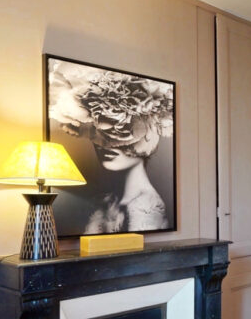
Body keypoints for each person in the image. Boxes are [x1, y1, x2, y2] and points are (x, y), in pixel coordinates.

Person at [49, 61, 174, 232]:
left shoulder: (145, 206)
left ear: (147, 136)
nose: (106, 144)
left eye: (120, 132)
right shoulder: (106, 201)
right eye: (99, 131)